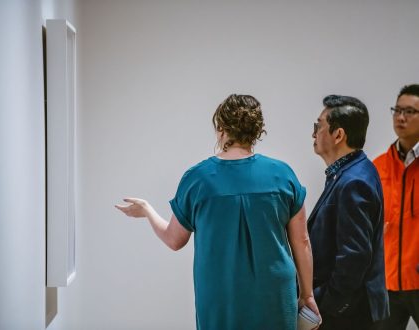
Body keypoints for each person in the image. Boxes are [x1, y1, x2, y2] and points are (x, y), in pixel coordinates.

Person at [116, 94, 320, 330]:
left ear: (221, 129)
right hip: (274, 292)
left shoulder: (198, 178)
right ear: (256, 131)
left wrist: (147, 210)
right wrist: (307, 295)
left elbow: (174, 240)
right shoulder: (283, 175)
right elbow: (302, 241)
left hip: (221, 294)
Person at [307, 95, 389, 330]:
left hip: (348, 314)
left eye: (318, 126)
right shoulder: (350, 172)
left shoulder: (354, 181)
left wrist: (326, 305)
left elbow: (354, 256)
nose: (314, 134)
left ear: (338, 134)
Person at [373, 84, 419, 330]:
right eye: (397, 110)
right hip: (388, 283)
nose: (401, 117)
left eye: (410, 111)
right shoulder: (378, 167)